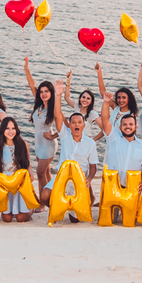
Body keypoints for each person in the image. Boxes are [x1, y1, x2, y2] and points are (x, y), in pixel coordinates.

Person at [40, 83, 99, 222]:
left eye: (79, 122)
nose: (77, 125)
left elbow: (93, 167)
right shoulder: (65, 135)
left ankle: (71, 208)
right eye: (73, 122)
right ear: (70, 125)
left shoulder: (90, 143)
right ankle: (57, 208)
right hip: (61, 177)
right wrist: (59, 95)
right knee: (43, 196)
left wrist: (89, 179)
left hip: (78, 181)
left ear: (84, 125)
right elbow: (57, 116)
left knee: (75, 220)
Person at [24, 57, 61, 187]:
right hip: (38, 142)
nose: (43, 94)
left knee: (40, 172)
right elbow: (31, 84)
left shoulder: (54, 108)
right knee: (45, 172)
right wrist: (26, 68)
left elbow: (66, 127)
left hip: (48, 144)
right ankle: (51, 195)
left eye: (46, 91)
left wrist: (54, 135)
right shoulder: (39, 105)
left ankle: (42, 202)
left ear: (51, 93)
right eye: (41, 92)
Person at [100, 103, 142, 191]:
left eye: (131, 124)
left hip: (133, 187)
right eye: (124, 124)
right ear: (120, 127)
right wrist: (106, 102)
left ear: (135, 127)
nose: (128, 127)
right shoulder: (113, 139)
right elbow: (105, 120)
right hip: (112, 186)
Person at [0, 117, 34, 223]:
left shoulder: (23, 144)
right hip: (6, 182)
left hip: (20, 182)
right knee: (7, 219)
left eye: (13, 128)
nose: (11, 131)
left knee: (21, 218)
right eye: (7, 128)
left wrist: (30, 174)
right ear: (3, 130)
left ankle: (30, 211)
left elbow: (27, 162)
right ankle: (10, 209)